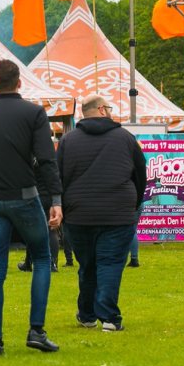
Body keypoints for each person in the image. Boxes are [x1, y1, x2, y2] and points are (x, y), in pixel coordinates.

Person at [0, 59, 62, 356]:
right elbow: (46, 159)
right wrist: (56, 199)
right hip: (26, 196)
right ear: (20, 82)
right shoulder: (34, 113)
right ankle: (36, 330)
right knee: (42, 259)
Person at [58, 95, 146, 333]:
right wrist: (133, 204)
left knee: (87, 265)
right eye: (108, 107)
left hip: (79, 215)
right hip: (118, 212)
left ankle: (87, 314)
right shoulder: (126, 139)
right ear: (101, 109)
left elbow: (59, 178)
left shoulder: (68, 141)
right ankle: (109, 316)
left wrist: (63, 206)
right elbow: (140, 174)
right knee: (110, 263)